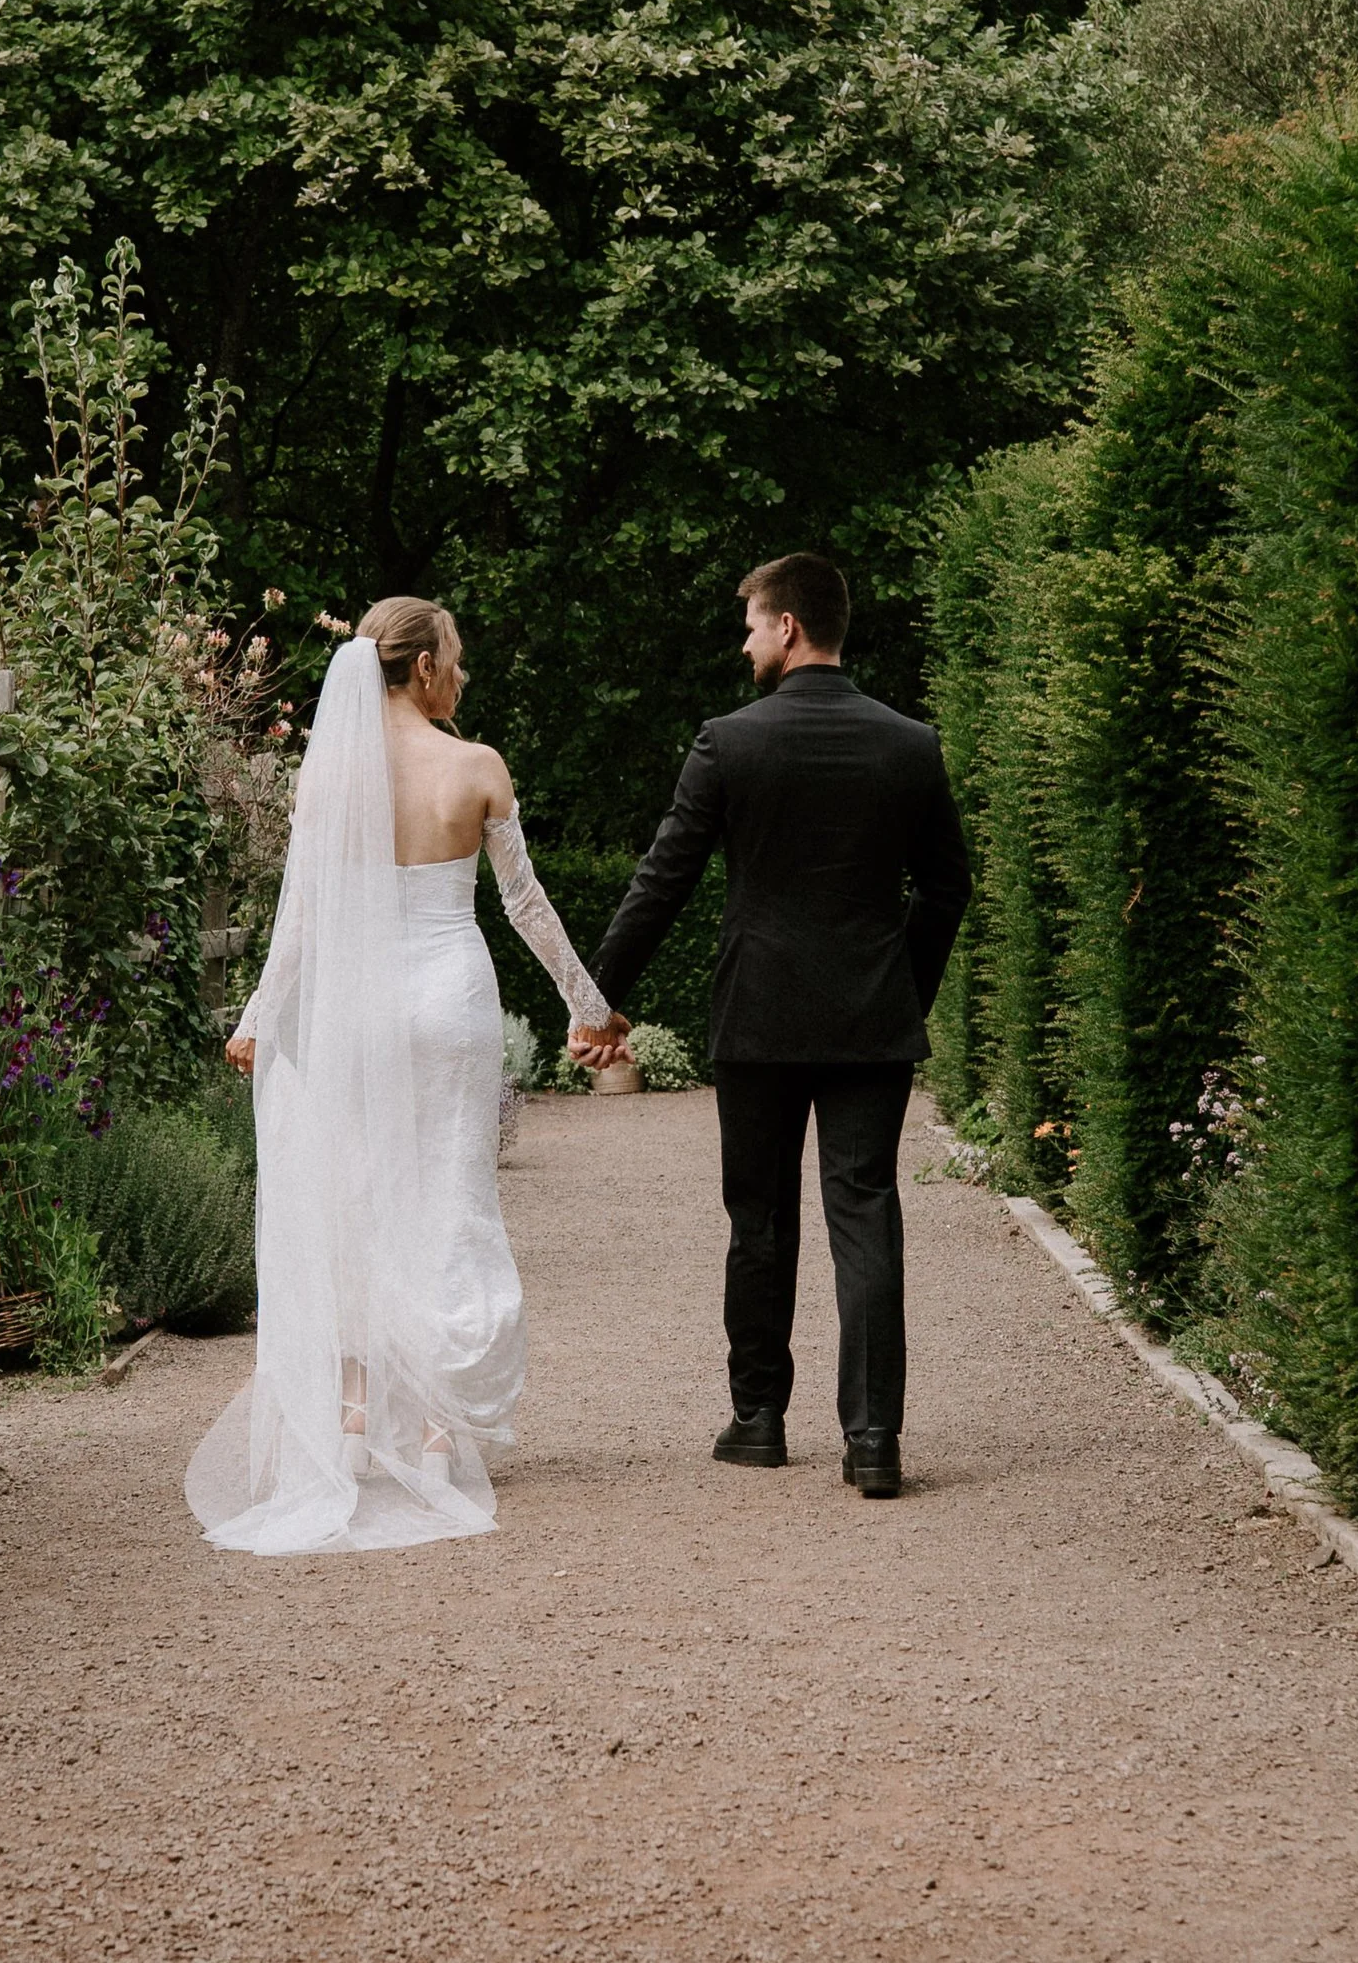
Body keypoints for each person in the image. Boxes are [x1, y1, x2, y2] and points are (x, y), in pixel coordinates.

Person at [187, 597, 613, 1557]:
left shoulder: (331, 778)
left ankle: (352, 1402)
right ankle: (436, 1413)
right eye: (455, 661)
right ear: (422, 670)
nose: (461, 678)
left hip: (361, 1010)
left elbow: (298, 917)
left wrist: (258, 1018)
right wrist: (589, 1007)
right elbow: (528, 909)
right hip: (450, 1002)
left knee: (361, 1193)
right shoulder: (476, 767)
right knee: (449, 1193)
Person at [575, 553, 971, 1500]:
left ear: (789, 627)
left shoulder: (730, 743)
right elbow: (948, 888)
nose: (745, 639)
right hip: (872, 1022)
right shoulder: (910, 744)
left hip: (756, 1017)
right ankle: (873, 1440)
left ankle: (758, 1422)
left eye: (752, 623)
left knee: (759, 1221)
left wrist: (598, 1004)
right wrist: (901, 991)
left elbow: (660, 882)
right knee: (864, 1215)